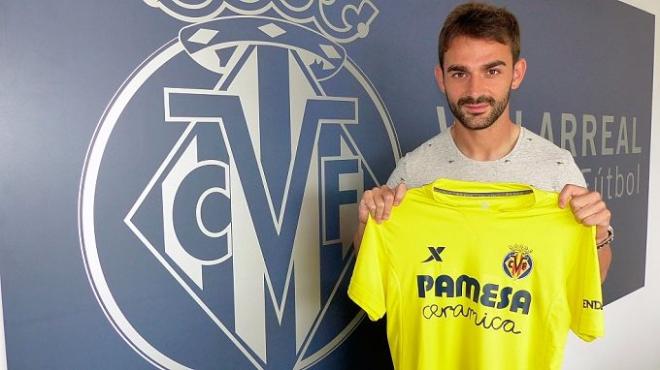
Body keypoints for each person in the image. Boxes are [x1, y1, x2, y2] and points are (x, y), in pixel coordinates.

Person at [354, 2, 612, 282]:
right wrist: (368, 225)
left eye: (492, 71)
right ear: (441, 78)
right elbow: (374, 273)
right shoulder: (412, 172)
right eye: (459, 73)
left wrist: (597, 235)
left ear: (517, 73)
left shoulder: (557, 169)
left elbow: (592, 281)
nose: (475, 91)